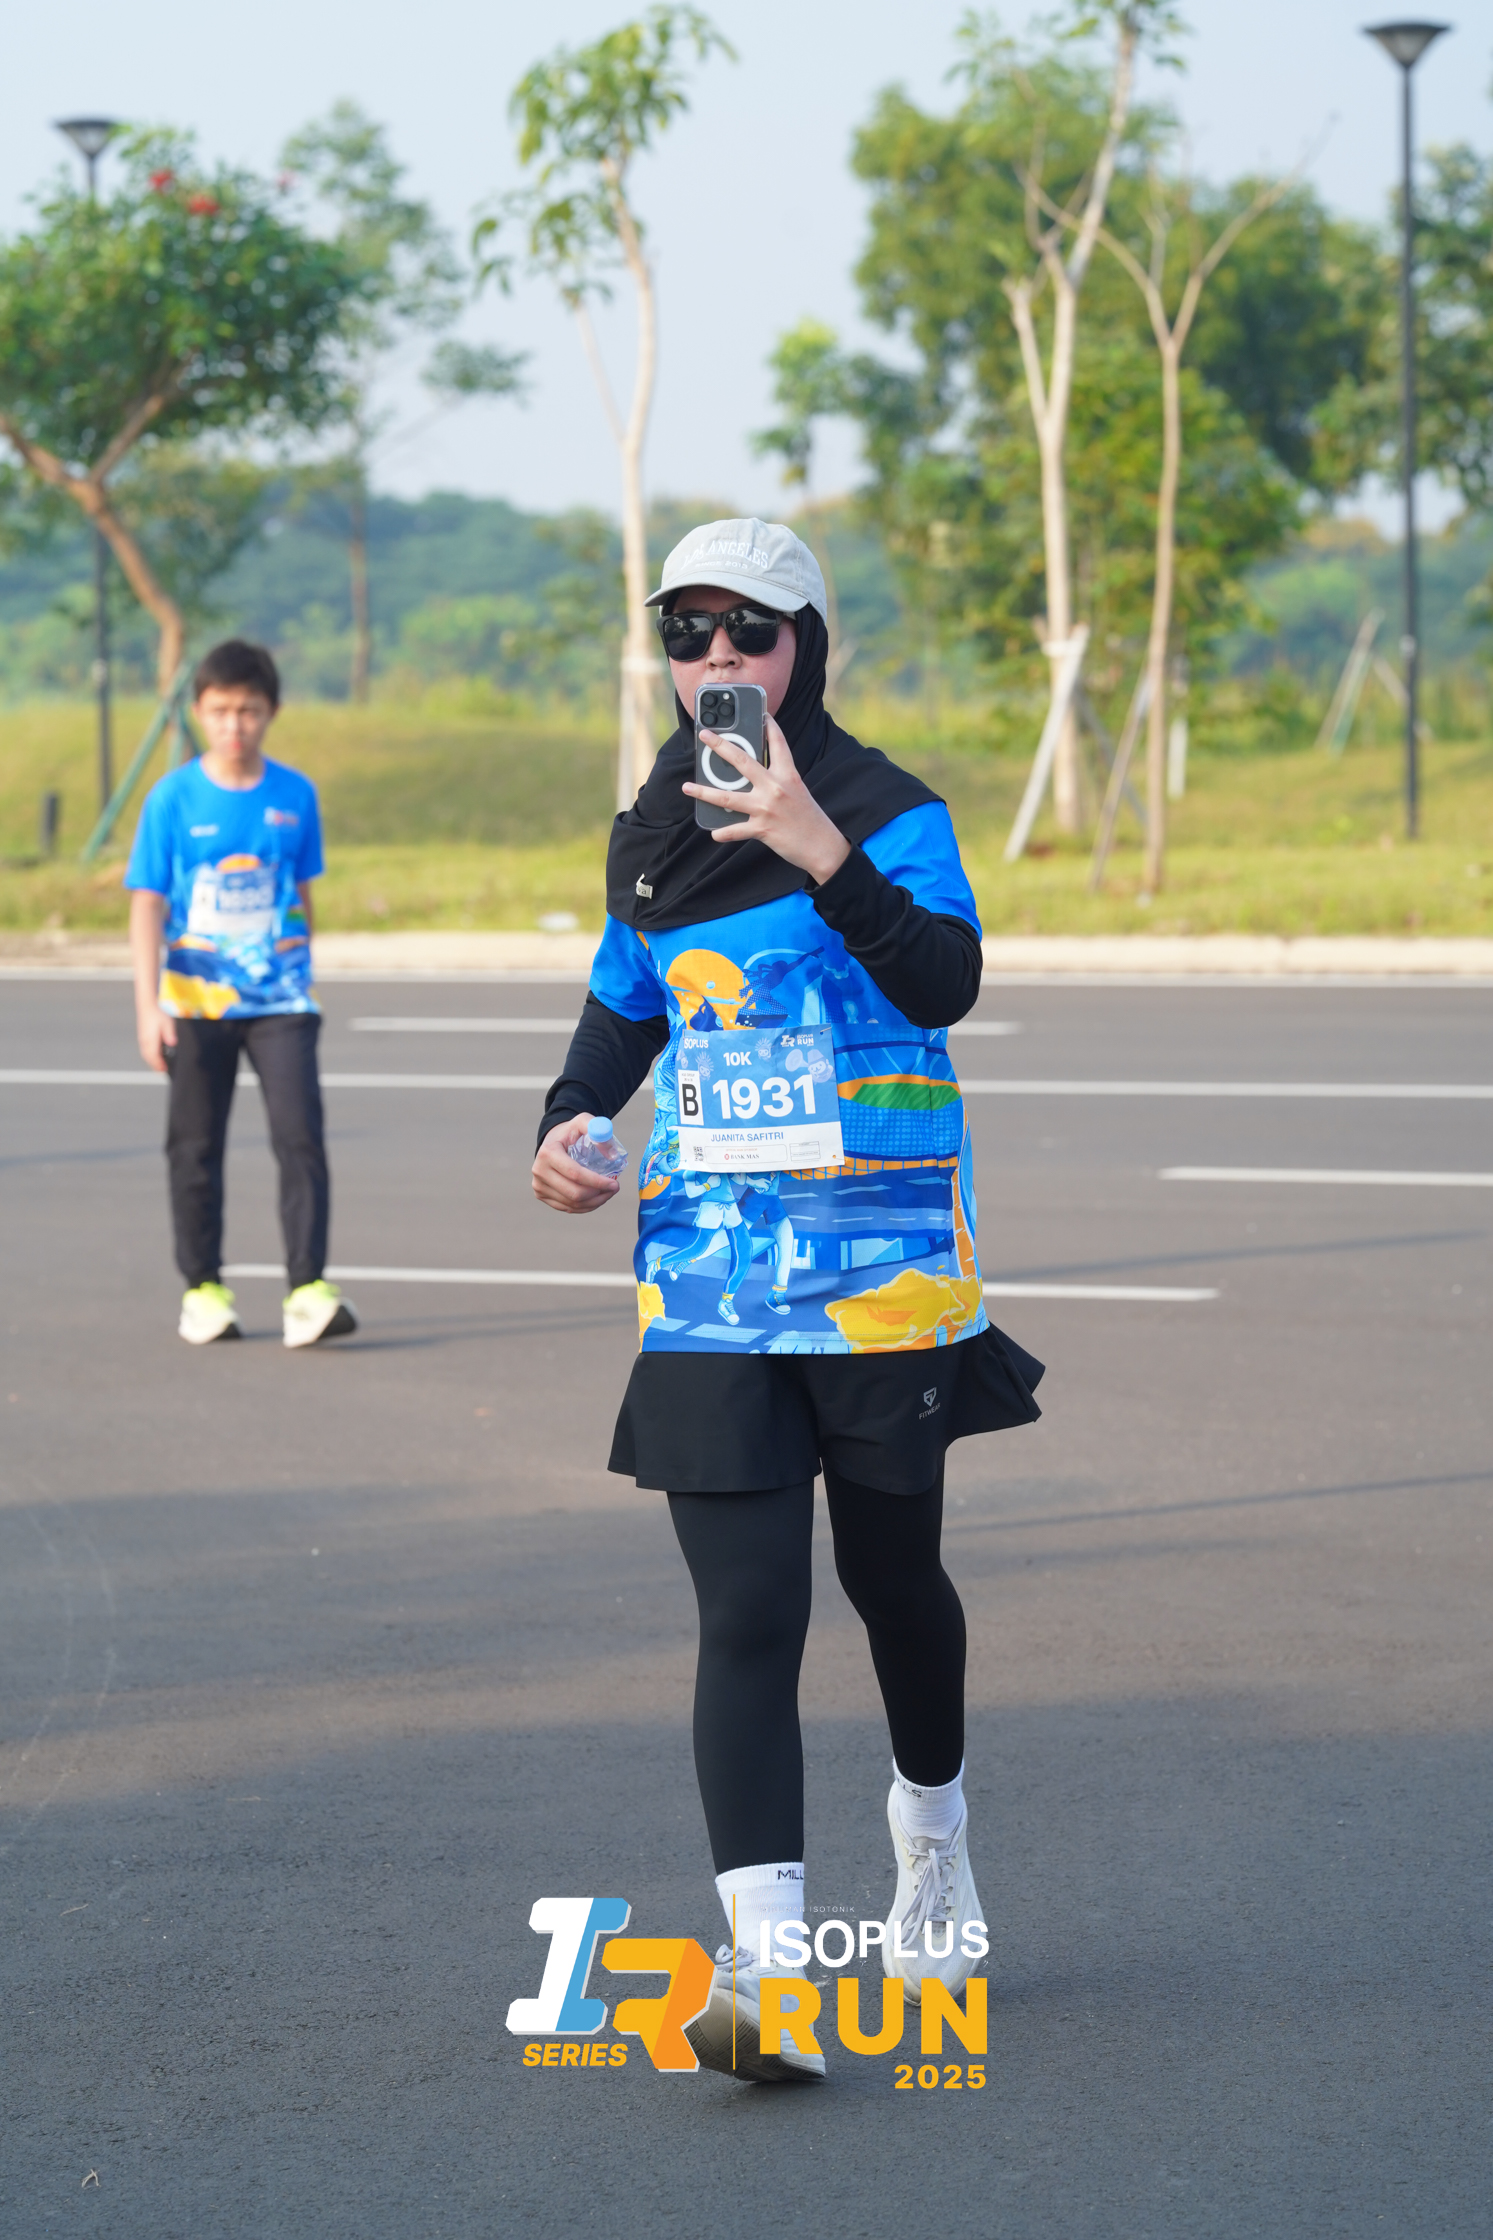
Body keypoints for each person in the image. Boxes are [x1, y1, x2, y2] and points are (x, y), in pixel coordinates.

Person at [532, 519, 1043, 2084]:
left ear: (806, 645)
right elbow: (622, 1011)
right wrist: (571, 1118)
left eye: (747, 631)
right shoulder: (653, 835)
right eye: (686, 634)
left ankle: (932, 1835)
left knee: (894, 1585)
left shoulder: (889, 812)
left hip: (881, 1276)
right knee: (749, 1609)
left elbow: (944, 981)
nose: (716, 661)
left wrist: (820, 847)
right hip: (710, 1278)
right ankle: (768, 1973)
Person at [126, 639, 357, 1351]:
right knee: (195, 1147)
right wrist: (147, 1007)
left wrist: (302, 967)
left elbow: (302, 892)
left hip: (281, 1001)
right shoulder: (171, 798)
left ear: (271, 712)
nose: (235, 725)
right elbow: (146, 903)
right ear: (198, 711)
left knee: (300, 1138)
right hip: (195, 1004)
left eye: (249, 711)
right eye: (221, 710)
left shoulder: (295, 794)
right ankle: (203, 1290)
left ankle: (307, 1292)